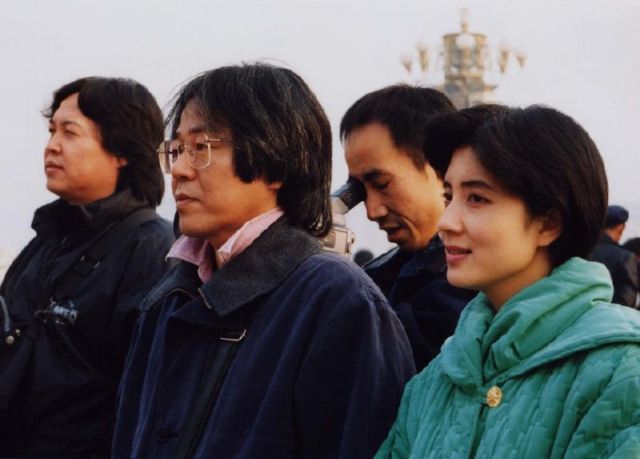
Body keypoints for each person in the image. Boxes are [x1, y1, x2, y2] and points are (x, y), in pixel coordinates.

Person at [113, 63, 415, 459]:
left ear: (273, 162)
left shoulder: (339, 303)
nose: (180, 170)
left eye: (201, 148)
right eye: (176, 150)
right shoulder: (168, 300)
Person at [376, 105, 640, 458]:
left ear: (549, 224)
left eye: (477, 198)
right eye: (449, 197)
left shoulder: (622, 369)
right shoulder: (436, 380)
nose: (446, 222)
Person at [0, 77, 174, 457]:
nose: (52, 145)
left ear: (122, 150)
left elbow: (152, 395)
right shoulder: (45, 241)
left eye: (70, 132)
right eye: (51, 131)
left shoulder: (151, 250)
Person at [340, 84, 475, 369]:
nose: (372, 211)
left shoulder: (481, 288)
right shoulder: (376, 279)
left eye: (382, 184)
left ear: (438, 167)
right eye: (359, 192)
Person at [591, 205, 638, 307]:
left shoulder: (583, 250)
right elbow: (626, 300)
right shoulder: (626, 257)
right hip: (608, 315)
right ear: (621, 228)